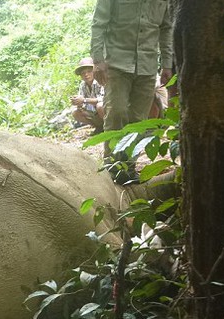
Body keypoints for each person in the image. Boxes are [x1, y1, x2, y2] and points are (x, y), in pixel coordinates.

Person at [91, 0, 173, 183]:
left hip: (147, 65)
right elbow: (99, 23)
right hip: (116, 63)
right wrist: (97, 60)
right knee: (116, 112)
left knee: (139, 120)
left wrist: (167, 63)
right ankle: (112, 167)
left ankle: (128, 168)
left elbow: (166, 29)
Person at [70, 57, 105, 134]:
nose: (86, 75)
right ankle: (99, 127)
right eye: (83, 73)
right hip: (94, 113)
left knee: (100, 106)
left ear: (94, 72)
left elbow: (103, 99)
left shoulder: (101, 80)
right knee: (75, 112)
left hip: (105, 111)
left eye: (89, 71)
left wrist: (84, 100)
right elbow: (81, 100)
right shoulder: (83, 85)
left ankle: (109, 127)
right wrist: (77, 102)